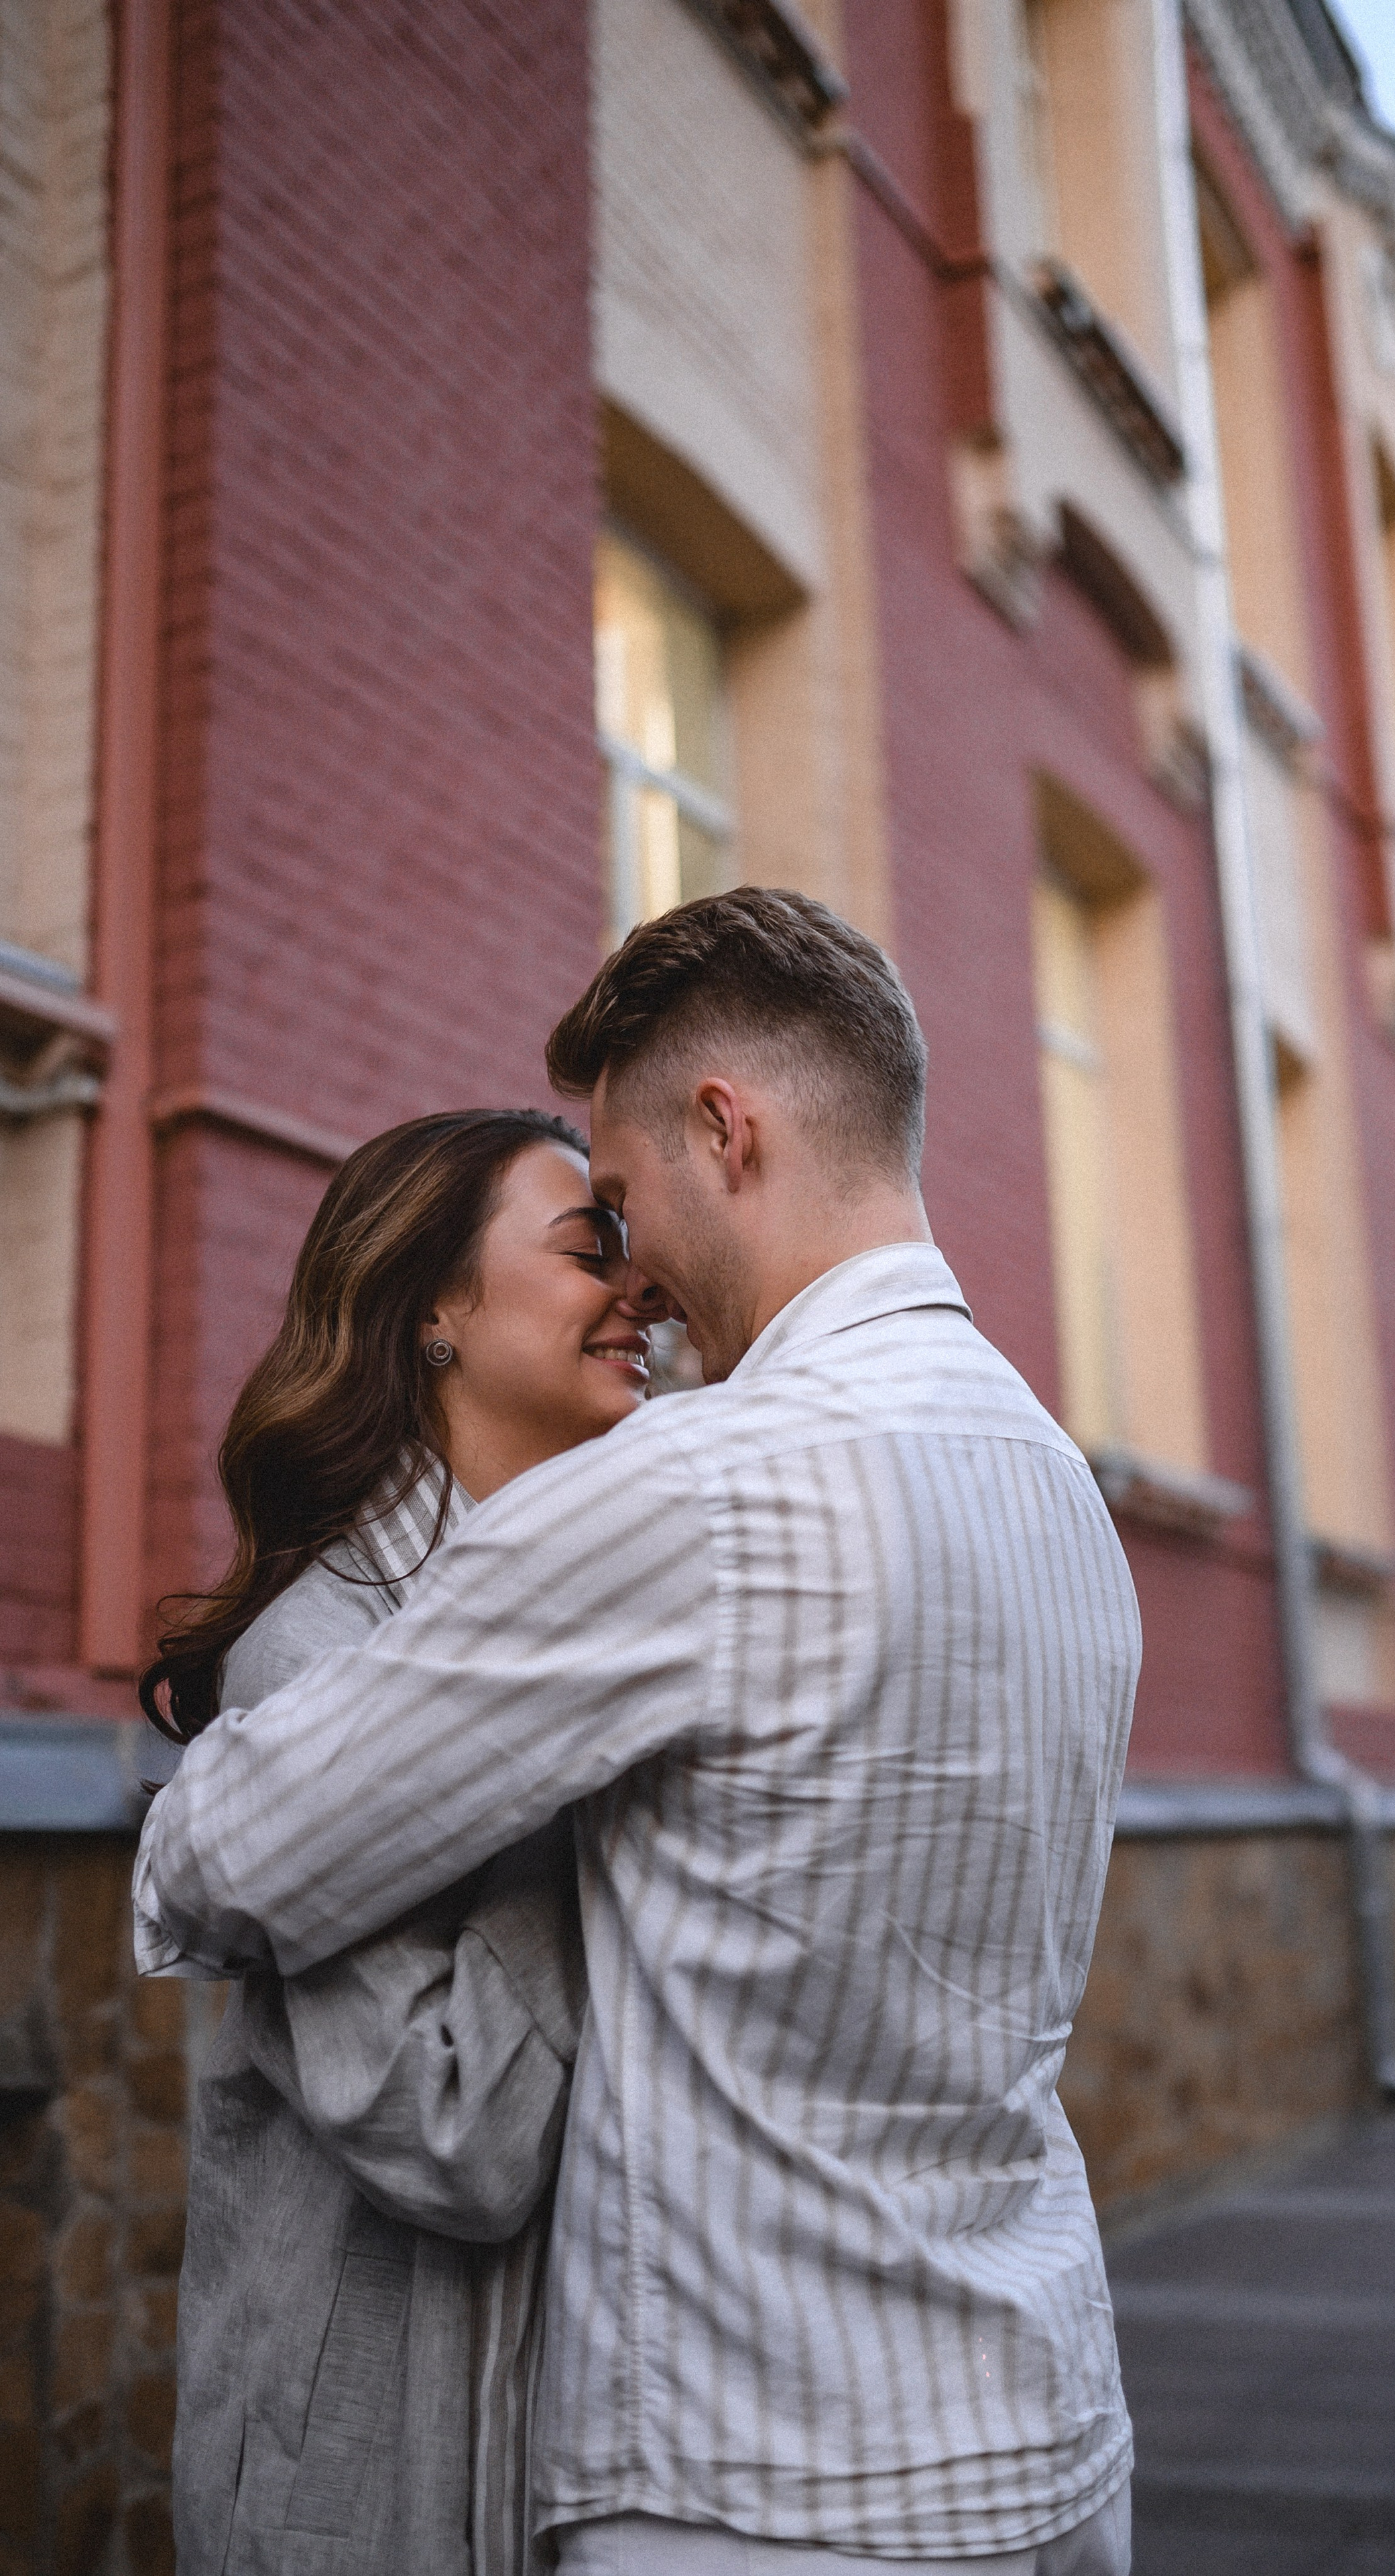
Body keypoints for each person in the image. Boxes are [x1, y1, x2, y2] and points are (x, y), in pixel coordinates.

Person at [137, 889, 1143, 2573]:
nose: (641, 1283)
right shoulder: (1056, 1485)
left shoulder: (709, 1487)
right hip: (1040, 2435)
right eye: (585, 1233)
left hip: (771, 2483)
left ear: (724, 1131)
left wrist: (183, 1811)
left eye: (622, 1202)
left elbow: (227, 1846)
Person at [140, 1108, 658, 2575]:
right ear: (435, 1307)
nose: (641, 1290)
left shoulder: (604, 1608)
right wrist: (613, 1795)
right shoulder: (315, 1660)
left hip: (567, 2461)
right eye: (587, 1250)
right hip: (362, 2494)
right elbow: (454, 2132)